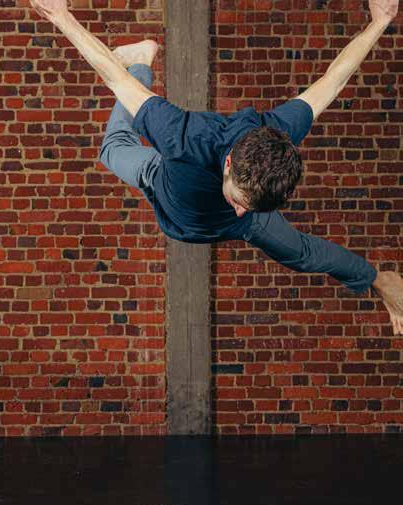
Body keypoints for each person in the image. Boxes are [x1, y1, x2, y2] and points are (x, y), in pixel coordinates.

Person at [29, 0, 403, 336]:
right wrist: (61, 16)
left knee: (302, 254)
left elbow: (333, 80)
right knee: (113, 149)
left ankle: (379, 280)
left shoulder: (275, 137)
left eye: (249, 205)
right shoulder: (182, 136)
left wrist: (379, 22)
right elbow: (114, 76)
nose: (238, 208)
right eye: (239, 200)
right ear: (227, 164)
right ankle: (143, 58)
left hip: (239, 228)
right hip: (160, 182)